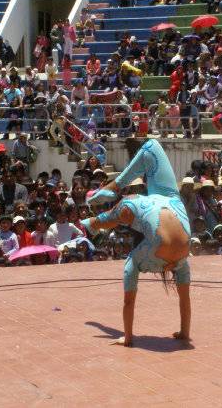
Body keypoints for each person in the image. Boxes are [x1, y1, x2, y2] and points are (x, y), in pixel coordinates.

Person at [87, 139, 191, 347]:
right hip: (182, 255)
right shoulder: (172, 197)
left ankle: (128, 336)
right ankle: (184, 332)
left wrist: (91, 222)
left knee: (115, 216)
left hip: (155, 251)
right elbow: (185, 301)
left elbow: (110, 218)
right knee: (151, 145)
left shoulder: (136, 202)